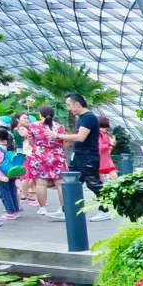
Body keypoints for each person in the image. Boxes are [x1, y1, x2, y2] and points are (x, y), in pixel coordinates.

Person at [49, 93, 111, 221]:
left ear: (77, 104)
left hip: (88, 155)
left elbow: (80, 137)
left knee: (93, 184)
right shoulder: (81, 118)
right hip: (79, 154)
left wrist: (58, 135)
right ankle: (66, 210)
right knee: (70, 182)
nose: (68, 108)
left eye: (69, 105)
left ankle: (105, 210)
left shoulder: (89, 118)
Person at [26, 105, 67, 216]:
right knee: (60, 183)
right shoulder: (60, 127)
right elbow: (65, 142)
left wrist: (38, 148)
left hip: (40, 154)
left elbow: (30, 140)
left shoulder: (33, 126)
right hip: (57, 154)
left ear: (40, 114)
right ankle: (63, 208)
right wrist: (58, 149)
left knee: (41, 184)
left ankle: (43, 208)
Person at [0, 127, 21, 220]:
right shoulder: (10, 147)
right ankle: (15, 210)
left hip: (0, 174)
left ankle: (10, 212)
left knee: (4, 193)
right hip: (12, 172)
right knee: (12, 191)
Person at [13, 112, 38, 205]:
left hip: (29, 154)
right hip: (24, 154)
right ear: (17, 119)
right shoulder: (18, 131)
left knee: (32, 176)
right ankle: (24, 194)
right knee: (25, 176)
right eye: (24, 118)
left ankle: (25, 193)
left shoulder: (29, 130)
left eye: (27, 118)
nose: (27, 119)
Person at [97, 116, 118, 182]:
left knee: (114, 177)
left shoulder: (106, 134)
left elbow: (109, 147)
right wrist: (110, 144)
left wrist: (112, 144)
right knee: (98, 179)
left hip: (107, 158)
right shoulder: (98, 134)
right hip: (100, 159)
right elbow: (100, 147)